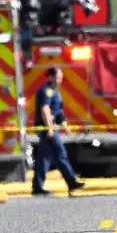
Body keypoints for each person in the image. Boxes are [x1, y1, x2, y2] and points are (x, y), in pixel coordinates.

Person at [31, 67, 85, 196]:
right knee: (61, 154)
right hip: (48, 129)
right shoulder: (47, 90)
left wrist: (65, 125)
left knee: (44, 157)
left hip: (51, 128)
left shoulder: (55, 91)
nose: (59, 80)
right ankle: (71, 182)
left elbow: (58, 111)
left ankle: (37, 186)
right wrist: (49, 128)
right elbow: (45, 109)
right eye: (57, 78)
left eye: (61, 78)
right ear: (50, 77)